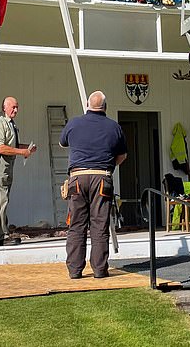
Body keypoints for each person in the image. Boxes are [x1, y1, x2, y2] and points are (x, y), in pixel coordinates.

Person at [59, 91, 127, 279]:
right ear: (105, 107)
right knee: (99, 225)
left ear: (87, 105)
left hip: (78, 178)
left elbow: (63, 143)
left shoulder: (74, 123)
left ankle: (74, 270)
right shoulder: (114, 127)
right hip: (102, 178)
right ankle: (99, 270)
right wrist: (107, 165)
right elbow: (122, 156)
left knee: (76, 224)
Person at [0, 96, 36, 246]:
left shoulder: (12, 124)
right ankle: (1, 235)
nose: (16, 110)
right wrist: (21, 152)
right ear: (5, 107)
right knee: (1, 200)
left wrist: (27, 148)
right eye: (13, 107)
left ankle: (3, 231)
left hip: (8, 167)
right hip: (1, 168)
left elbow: (13, 145)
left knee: (4, 199)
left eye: (17, 107)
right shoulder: (1, 122)